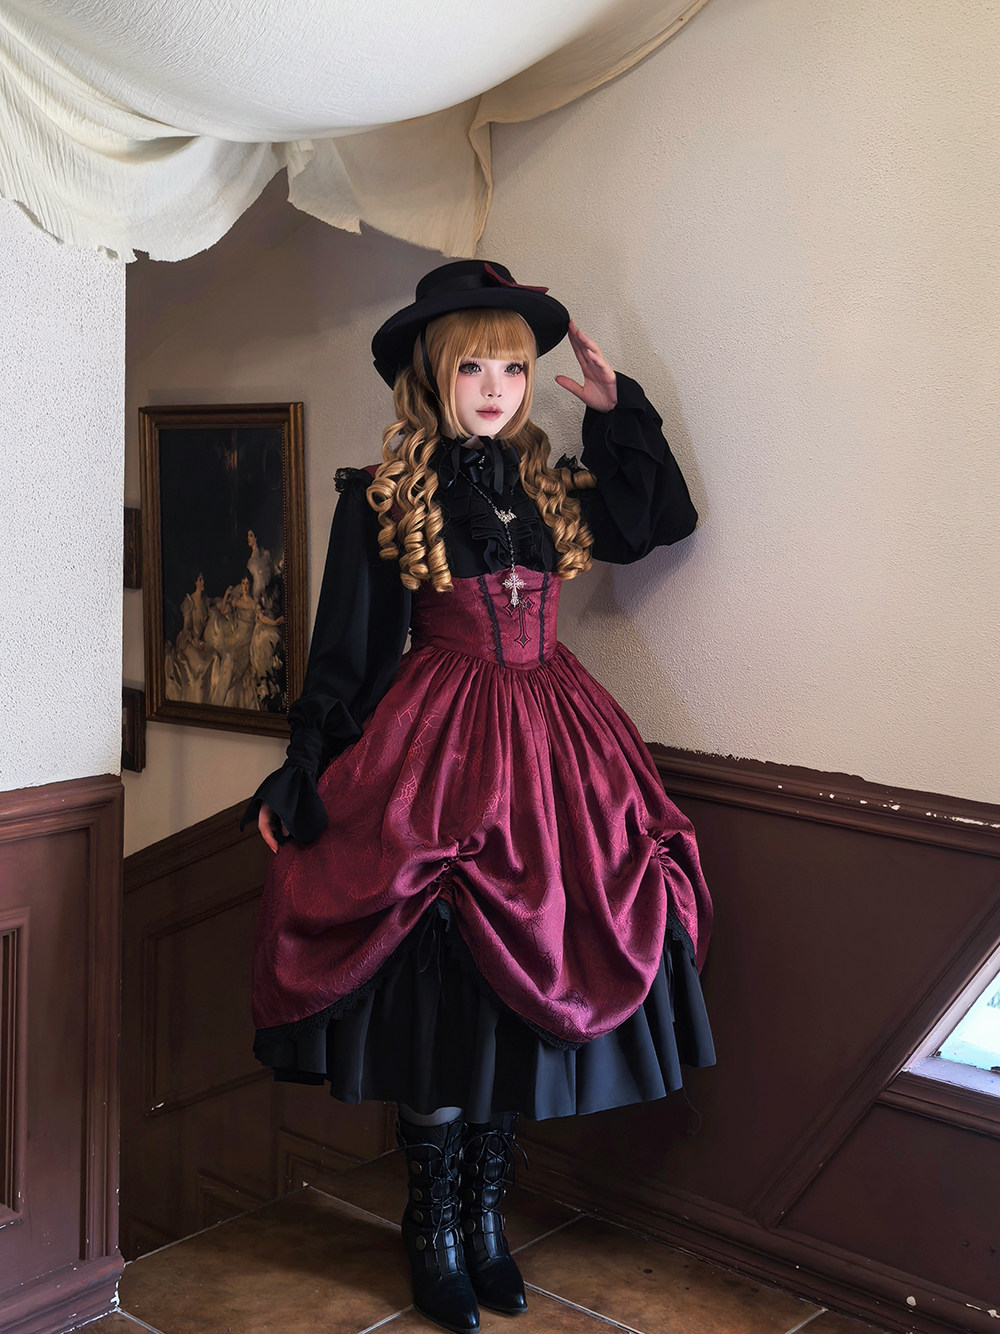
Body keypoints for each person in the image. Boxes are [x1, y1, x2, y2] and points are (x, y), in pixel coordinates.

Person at [242, 260, 714, 1334]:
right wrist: (307, 760)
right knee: (443, 997)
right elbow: (346, 649)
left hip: (557, 750)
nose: (497, 386)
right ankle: (433, 1226)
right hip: (441, 752)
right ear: (432, 373)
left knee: (519, 998)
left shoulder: (545, 483)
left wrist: (619, 411)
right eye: (473, 367)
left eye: (512, 366)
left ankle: (486, 1219)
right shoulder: (383, 491)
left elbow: (659, 520)